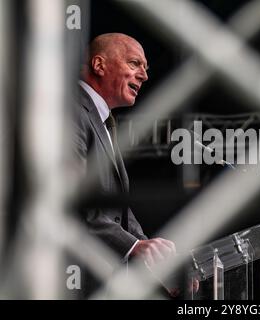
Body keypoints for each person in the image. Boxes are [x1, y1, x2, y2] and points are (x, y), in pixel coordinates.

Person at [73, 33, 176, 297]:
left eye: (145, 68)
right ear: (99, 65)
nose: (144, 75)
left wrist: (148, 253)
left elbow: (121, 212)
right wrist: (134, 247)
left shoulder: (103, 119)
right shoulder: (71, 110)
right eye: (134, 63)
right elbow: (71, 200)